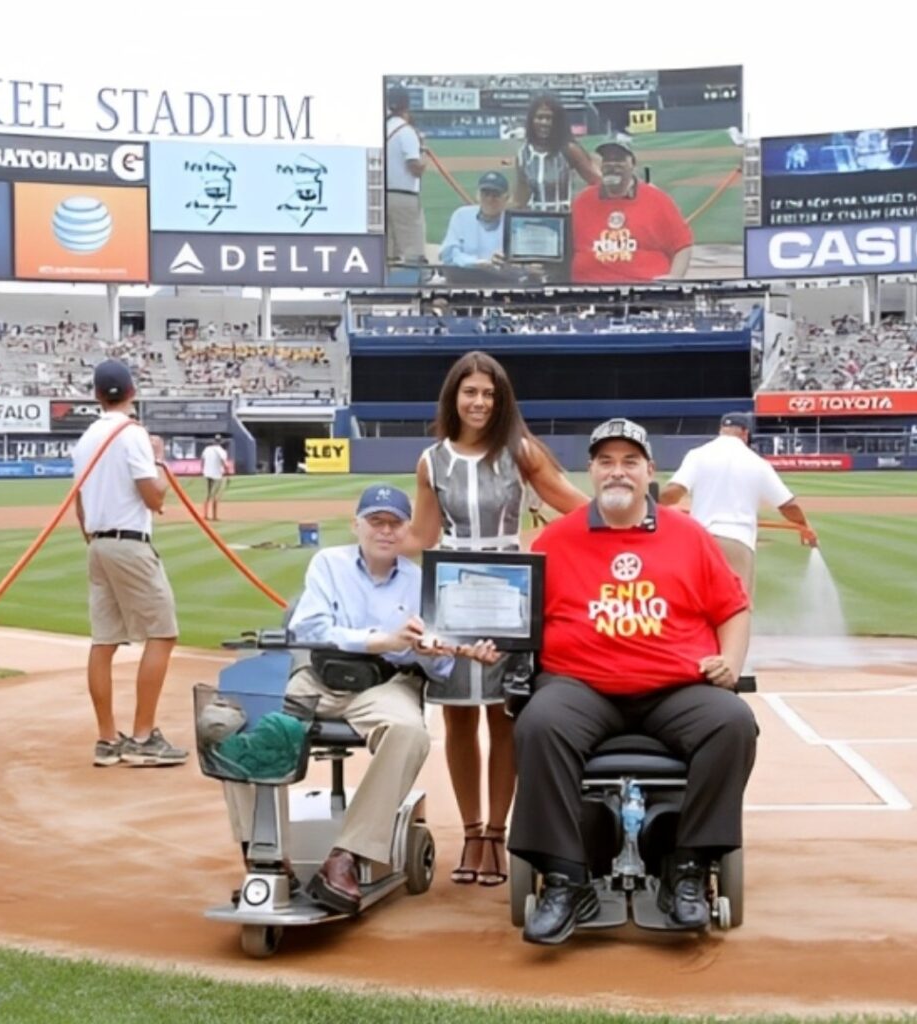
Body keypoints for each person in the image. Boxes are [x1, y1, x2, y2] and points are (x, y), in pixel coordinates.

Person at [509, 417, 756, 945]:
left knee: (732, 722)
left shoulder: (689, 535)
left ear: (650, 472)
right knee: (538, 725)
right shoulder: (554, 540)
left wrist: (730, 662)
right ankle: (566, 878)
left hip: (675, 686)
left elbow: (733, 608)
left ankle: (687, 868)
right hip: (582, 685)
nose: (617, 472)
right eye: (605, 462)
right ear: (592, 472)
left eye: (629, 462)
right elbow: (516, 620)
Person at [227, 484, 497, 915]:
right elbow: (310, 629)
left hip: (384, 686)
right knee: (239, 726)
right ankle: (265, 855)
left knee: (410, 734)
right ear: (357, 525)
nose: (385, 531)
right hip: (317, 678)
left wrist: (422, 652)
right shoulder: (327, 564)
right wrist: (380, 640)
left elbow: (442, 668)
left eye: (395, 523)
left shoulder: (421, 582)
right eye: (376, 521)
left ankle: (346, 857)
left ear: (408, 530)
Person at [405, 351, 588, 887]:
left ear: (501, 398)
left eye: (489, 393)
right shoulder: (430, 461)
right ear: (453, 397)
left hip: (510, 592)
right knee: (460, 717)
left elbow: (575, 507)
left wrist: (640, 517)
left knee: (503, 716)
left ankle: (497, 835)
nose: (479, 402)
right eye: (470, 392)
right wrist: (373, 540)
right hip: (452, 595)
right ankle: (469, 832)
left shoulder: (521, 452)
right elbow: (423, 537)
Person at [71, 359, 187, 769]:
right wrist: (159, 459)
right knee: (163, 633)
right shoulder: (133, 434)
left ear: (97, 395)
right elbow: (154, 499)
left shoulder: (86, 439)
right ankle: (143, 737)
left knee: (103, 641)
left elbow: (80, 507)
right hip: (129, 542)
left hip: (98, 545)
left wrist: (95, 541)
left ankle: (107, 740)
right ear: (132, 391)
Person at [658, 412, 819, 597]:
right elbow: (788, 506)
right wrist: (804, 525)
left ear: (721, 430)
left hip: (700, 542)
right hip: (737, 540)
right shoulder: (757, 463)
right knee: (736, 608)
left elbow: (671, 494)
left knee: (699, 605)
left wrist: (646, 503)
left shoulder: (697, 455)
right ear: (745, 432)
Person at [571, 134, 693, 284]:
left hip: (644, 290)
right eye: (607, 160)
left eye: (619, 160)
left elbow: (682, 245)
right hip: (591, 291)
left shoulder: (657, 200)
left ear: (632, 164)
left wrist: (675, 278)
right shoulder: (582, 201)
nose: (612, 165)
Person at [512, 94, 600, 213]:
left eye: (549, 118)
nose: (544, 122)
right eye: (539, 117)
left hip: (564, 221)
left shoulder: (568, 149)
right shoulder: (524, 154)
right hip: (533, 222)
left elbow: (597, 181)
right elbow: (520, 198)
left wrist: (584, 205)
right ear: (531, 120)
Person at [385, 86, 427, 266]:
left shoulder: (383, 127)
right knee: (413, 251)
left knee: (388, 252)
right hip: (404, 196)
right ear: (406, 105)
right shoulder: (406, 131)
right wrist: (423, 153)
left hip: (381, 195)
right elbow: (415, 168)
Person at [200, 434, 230, 521]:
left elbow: (202, 460)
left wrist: (202, 470)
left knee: (208, 495)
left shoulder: (207, 449)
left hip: (207, 474)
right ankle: (214, 516)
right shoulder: (222, 451)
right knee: (215, 496)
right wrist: (228, 475)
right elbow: (224, 463)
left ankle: (205, 515)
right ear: (220, 441)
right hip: (217, 475)